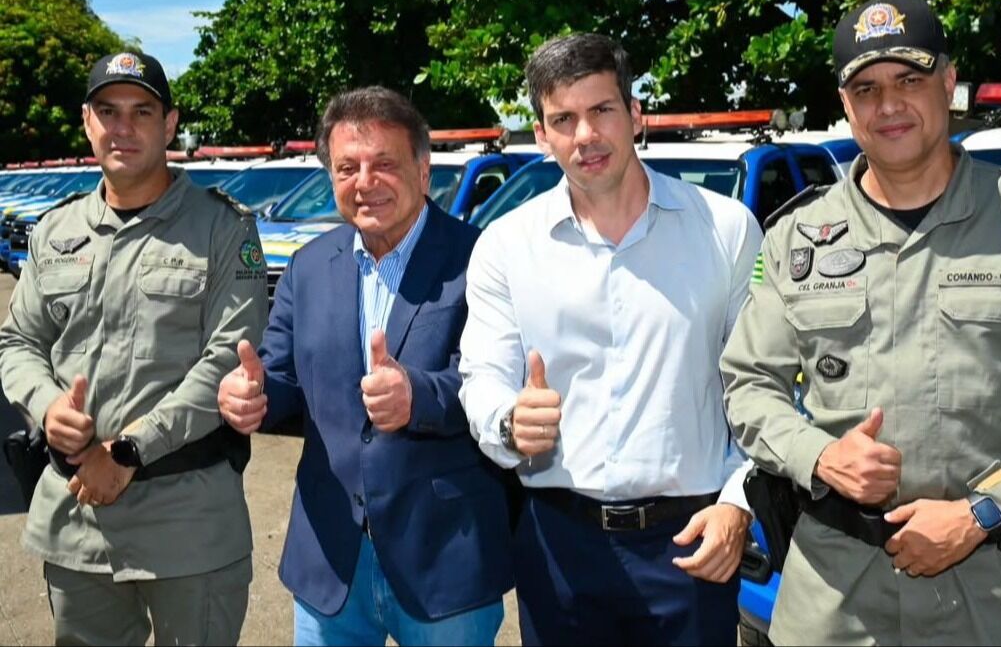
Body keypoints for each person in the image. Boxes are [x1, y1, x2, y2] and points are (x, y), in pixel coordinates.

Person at [721, 0, 1001, 644]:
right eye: (867, 88)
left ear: (948, 83)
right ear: (845, 102)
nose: (889, 105)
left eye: (909, 80)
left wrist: (984, 511)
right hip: (833, 600)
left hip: (992, 598)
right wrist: (822, 454)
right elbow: (748, 384)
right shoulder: (797, 238)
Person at [458, 33, 763, 645]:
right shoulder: (504, 246)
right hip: (557, 547)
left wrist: (739, 502)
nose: (585, 136)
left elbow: (763, 388)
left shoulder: (726, 230)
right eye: (563, 119)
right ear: (542, 136)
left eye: (602, 111)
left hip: (694, 542)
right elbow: (482, 380)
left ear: (636, 116)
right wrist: (510, 423)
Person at [216, 85, 512, 646]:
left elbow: (497, 382)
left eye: (384, 164)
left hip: (444, 559)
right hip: (331, 559)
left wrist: (418, 396)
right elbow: (283, 381)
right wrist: (252, 395)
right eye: (347, 167)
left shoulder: (481, 259)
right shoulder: (309, 266)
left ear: (424, 171)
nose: (364, 182)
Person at [0, 51, 268, 644]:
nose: (123, 128)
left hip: (187, 523)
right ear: (87, 122)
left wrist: (126, 451)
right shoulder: (56, 231)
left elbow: (228, 358)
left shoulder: (223, 228)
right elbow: (18, 340)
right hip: (78, 523)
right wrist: (47, 407)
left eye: (141, 112)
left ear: (169, 125)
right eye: (108, 111)